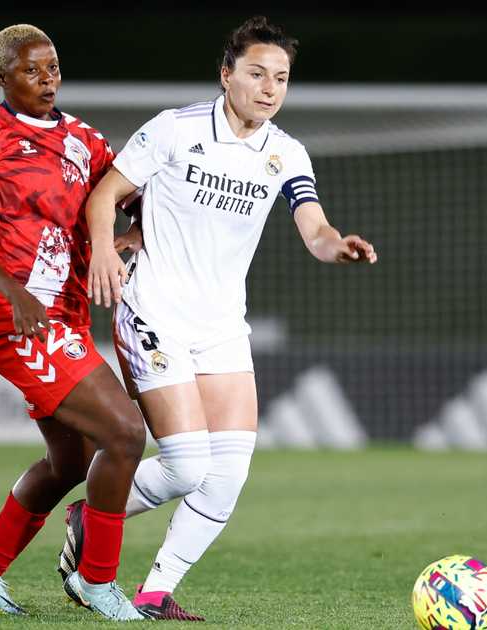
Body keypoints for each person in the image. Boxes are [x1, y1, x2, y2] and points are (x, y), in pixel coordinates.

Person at [56, 16, 378, 621]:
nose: (269, 88)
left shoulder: (285, 152)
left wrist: (338, 246)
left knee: (227, 474)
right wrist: (103, 248)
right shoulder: (174, 131)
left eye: (281, 78)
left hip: (223, 326)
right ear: (226, 73)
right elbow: (104, 194)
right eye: (257, 74)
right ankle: (94, 516)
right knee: (186, 466)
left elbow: (314, 228)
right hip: (154, 311)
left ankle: (153, 591)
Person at [0, 23, 146, 621]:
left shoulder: (85, 140)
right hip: (20, 323)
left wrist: (128, 235)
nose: (47, 79)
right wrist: (15, 294)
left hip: (69, 319)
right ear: (3, 77)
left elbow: (126, 196)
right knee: (127, 435)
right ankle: (97, 581)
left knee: (71, 464)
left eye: (53, 67)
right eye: (32, 70)